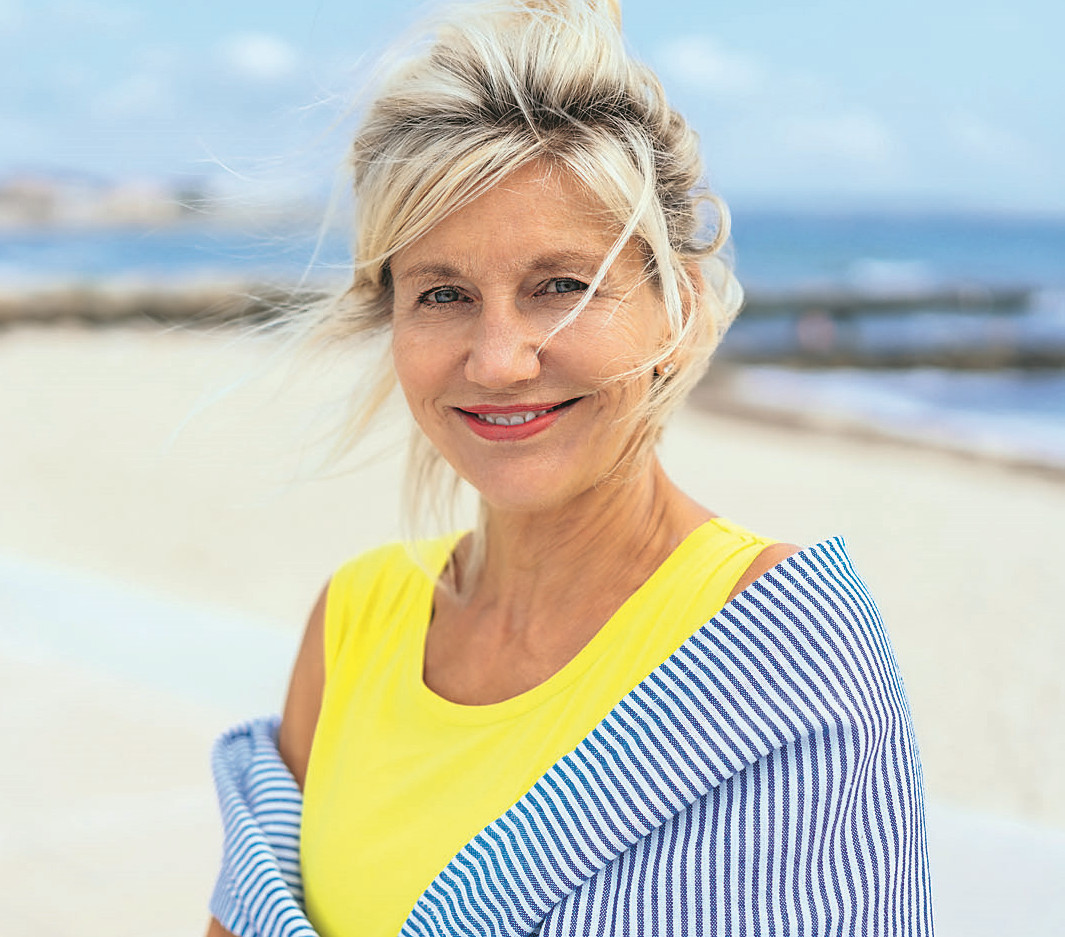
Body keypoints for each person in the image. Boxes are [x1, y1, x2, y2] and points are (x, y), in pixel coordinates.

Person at [205, 1, 933, 934]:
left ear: (678, 308)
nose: (498, 360)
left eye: (560, 285)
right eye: (443, 294)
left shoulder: (778, 645)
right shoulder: (355, 617)